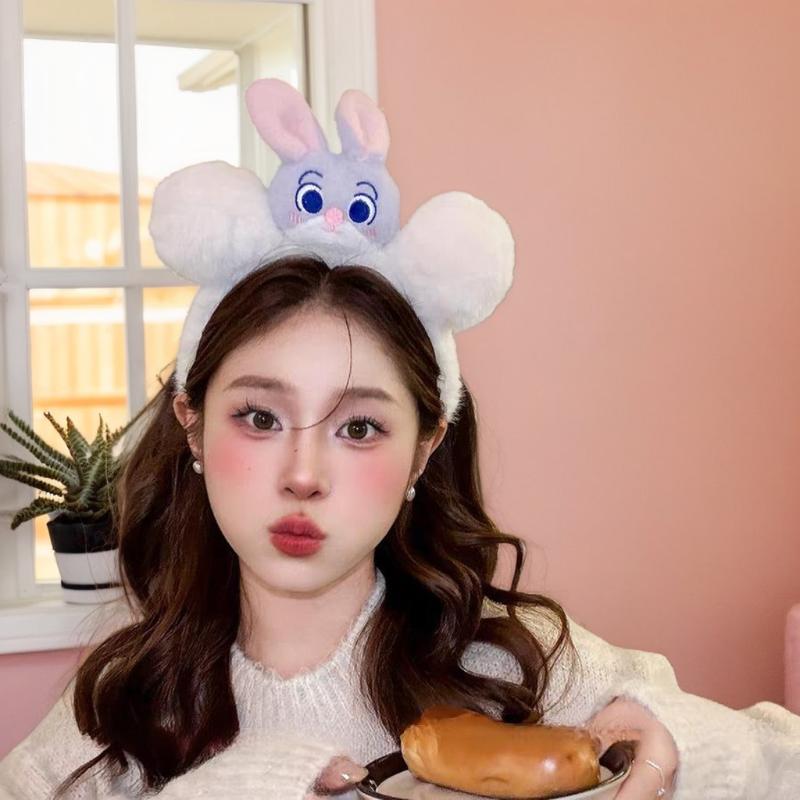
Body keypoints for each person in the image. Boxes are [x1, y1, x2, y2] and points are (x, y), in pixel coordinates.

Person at [1, 79, 799, 800]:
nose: (304, 474)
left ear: (423, 448)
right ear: (192, 423)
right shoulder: (123, 702)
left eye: (359, 427)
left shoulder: (514, 665)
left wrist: (682, 752)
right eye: (260, 417)